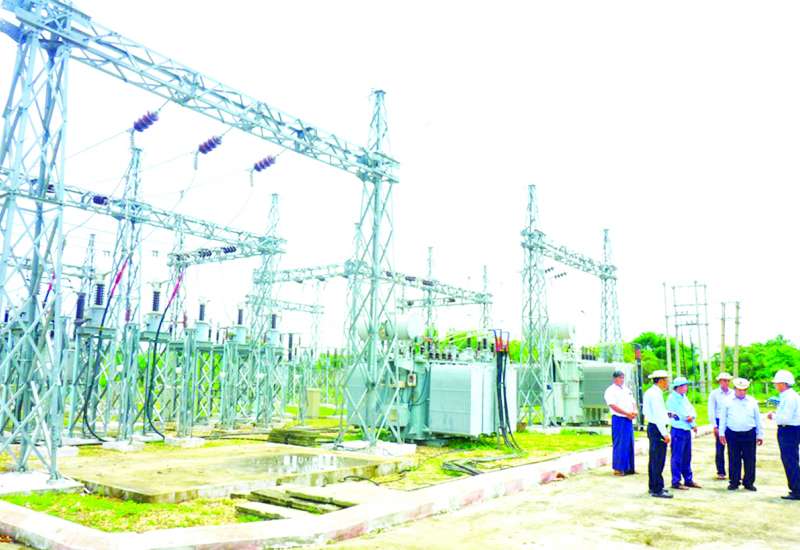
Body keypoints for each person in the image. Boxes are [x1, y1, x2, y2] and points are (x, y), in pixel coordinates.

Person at [719, 377, 763, 491]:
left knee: (750, 459)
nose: (741, 392)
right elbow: (723, 418)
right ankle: (734, 482)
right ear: (734, 389)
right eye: (739, 389)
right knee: (734, 458)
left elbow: (758, 419)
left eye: (744, 390)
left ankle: (748, 482)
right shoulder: (727, 401)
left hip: (749, 433)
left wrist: (760, 434)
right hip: (732, 433)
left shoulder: (752, 401)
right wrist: (721, 433)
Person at [768, 370, 800, 500]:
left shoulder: (790, 397)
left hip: (788, 430)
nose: (775, 385)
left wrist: (773, 416)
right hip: (791, 430)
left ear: (783, 383)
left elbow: (785, 418)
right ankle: (796, 488)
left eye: (777, 383)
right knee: (791, 459)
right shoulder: (788, 396)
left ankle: (796, 490)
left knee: (790, 460)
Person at [667, 377, 701, 490]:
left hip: (686, 429)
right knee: (677, 456)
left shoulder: (683, 397)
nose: (686, 387)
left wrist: (693, 421)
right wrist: (692, 422)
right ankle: (676, 481)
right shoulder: (672, 398)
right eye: (684, 385)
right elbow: (684, 415)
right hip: (678, 430)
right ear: (679, 387)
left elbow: (691, 411)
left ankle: (688, 479)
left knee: (687, 456)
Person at [642, 369, 672, 498]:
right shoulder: (655, 395)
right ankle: (657, 489)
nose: (667, 383)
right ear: (660, 381)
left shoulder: (652, 392)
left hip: (654, 427)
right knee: (658, 460)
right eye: (666, 380)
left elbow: (650, 412)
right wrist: (665, 433)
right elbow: (658, 416)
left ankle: (654, 485)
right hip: (657, 428)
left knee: (654, 459)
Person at [604, 369, 637, 476]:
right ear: (615, 378)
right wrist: (626, 413)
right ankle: (618, 468)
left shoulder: (626, 389)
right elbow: (613, 405)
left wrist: (634, 411)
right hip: (619, 418)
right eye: (620, 377)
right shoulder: (610, 390)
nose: (622, 380)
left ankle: (629, 468)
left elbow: (633, 401)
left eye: (623, 377)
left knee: (629, 443)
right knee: (620, 443)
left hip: (629, 419)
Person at [708, 372, 734, 480]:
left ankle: (733, 471)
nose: (726, 382)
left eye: (727, 381)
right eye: (724, 380)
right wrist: (714, 425)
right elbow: (711, 409)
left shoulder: (733, 393)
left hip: (730, 421)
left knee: (733, 448)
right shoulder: (714, 394)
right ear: (719, 381)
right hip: (719, 420)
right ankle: (721, 471)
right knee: (720, 448)